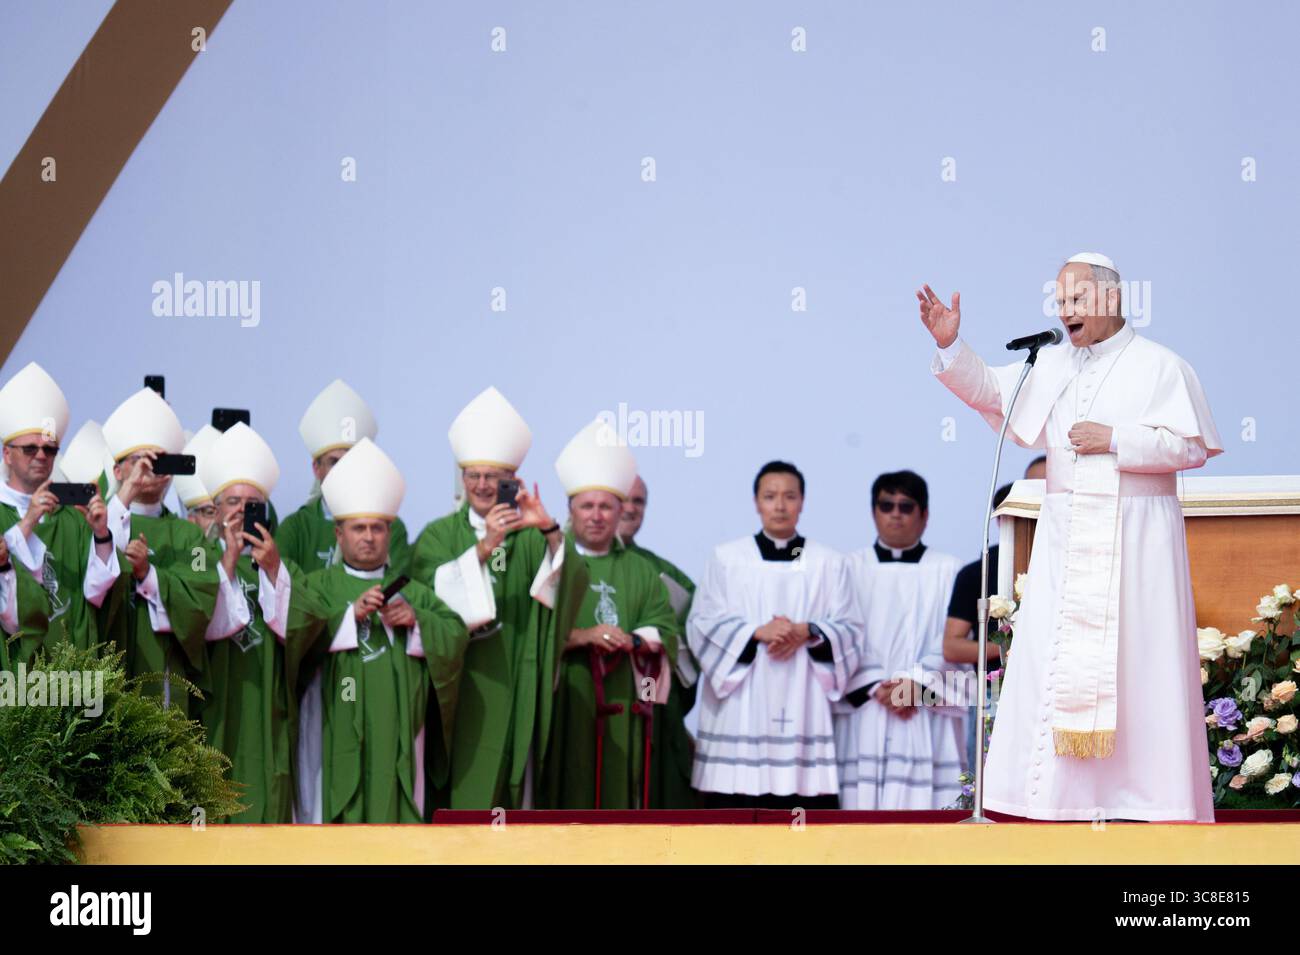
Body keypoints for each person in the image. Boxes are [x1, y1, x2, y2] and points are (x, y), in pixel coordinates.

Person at [919, 251, 1222, 822]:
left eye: (1076, 300)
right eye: (1060, 301)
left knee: (1142, 660)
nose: (1065, 312)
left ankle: (1150, 799)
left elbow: (1192, 447)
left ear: (1111, 298)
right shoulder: (1051, 363)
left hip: (1139, 540)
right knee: (1054, 662)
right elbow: (990, 391)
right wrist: (951, 349)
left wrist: (1117, 438)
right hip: (1067, 535)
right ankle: (1059, 798)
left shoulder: (1162, 366)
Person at [282, 438, 474, 823]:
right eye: (358, 528)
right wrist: (346, 617)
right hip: (330, 724)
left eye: (378, 528)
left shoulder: (413, 592)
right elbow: (293, 640)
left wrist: (417, 623)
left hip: (397, 731)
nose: (368, 537)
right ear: (340, 535)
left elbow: (455, 633)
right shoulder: (316, 588)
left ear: (390, 533)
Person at [411, 386, 565, 810]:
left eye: (493, 477)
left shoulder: (533, 536)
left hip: (517, 674)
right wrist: (480, 552)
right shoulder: (439, 535)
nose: (482, 485)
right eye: (473, 475)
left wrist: (549, 528)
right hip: (460, 680)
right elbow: (424, 595)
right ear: (461, 478)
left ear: (510, 482)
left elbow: (566, 588)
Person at [687, 460, 859, 809]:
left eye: (789, 497)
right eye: (770, 496)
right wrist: (755, 632)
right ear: (756, 502)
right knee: (734, 817)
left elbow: (852, 629)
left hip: (804, 696)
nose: (779, 506)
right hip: (741, 703)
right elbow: (701, 623)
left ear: (802, 502)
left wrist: (807, 630)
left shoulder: (829, 562)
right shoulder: (727, 558)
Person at [538, 419, 679, 809]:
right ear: (570, 509)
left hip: (622, 708)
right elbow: (532, 636)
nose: (596, 516)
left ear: (621, 512)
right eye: (587, 506)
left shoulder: (640, 570)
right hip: (566, 699)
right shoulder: (549, 561)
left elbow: (664, 630)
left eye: (606, 506)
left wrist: (632, 640)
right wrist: (582, 637)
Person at [835, 470, 964, 809]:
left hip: (925, 707)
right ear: (873, 511)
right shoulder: (846, 568)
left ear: (924, 516)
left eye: (906, 506)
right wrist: (875, 684)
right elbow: (839, 637)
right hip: (866, 708)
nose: (895, 514)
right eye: (886, 505)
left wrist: (915, 684)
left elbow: (956, 643)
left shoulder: (951, 570)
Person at [100, 387, 220, 717]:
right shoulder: (98, 523)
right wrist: (126, 495)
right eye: (141, 460)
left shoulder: (190, 538)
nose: (151, 469)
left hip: (165, 677)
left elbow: (201, 598)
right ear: (118, 470)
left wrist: (148, 575)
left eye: (160, 460)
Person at [198, 422, 294, 823]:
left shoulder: (279, 564)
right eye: (232, 502)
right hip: (212, 700)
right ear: (216, 509)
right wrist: (228, 563)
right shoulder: (197, 558)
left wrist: (272, 571)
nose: (239, 511)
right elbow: (200, 621)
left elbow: (295, 629)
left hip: (263, 702)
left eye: (250, 504)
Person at [0, 363, 119, 664]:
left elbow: (96, 590)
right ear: (7, 454)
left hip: (71, 667)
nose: (41, 455)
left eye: (50, 449)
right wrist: (27, 522)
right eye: (30, 449)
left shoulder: (72, 519)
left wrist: (101, 534)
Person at [618, 474, 700, 808]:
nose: (630, 508)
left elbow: (689, 652)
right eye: (622, 498)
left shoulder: (668, 575)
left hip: (652, 712)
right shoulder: (571, 563)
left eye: (638, 501)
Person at [276, 379, 411, 574]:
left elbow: (398, 589)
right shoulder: (295, 528)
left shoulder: (390, 527)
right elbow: (282, 593)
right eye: (334, 462)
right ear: (316, 468)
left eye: (352, 460)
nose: (344, 471)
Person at [174, 424, 222, 536]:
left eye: (223, 511)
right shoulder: (194, 552)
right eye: (210, 512)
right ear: (192, 520)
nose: (218, 521)